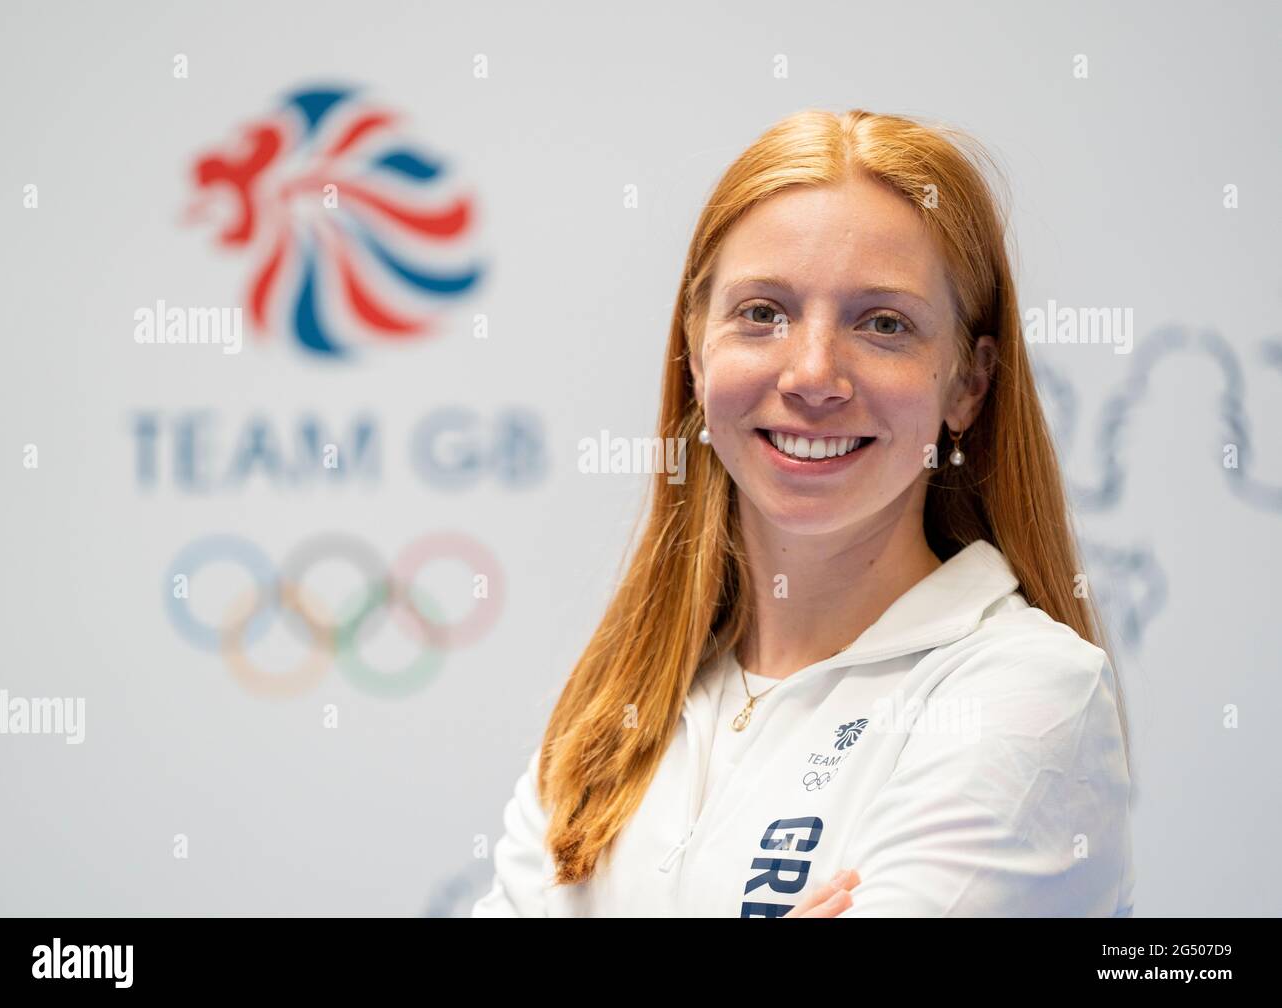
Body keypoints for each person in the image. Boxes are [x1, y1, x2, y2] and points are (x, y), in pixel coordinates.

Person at [472, 107, 1135, 917]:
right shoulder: (616, 709)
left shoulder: (1029, 695)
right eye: (763, 313)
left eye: (883, 324)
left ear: (968, 382)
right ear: (695, 346)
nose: (814, 374)